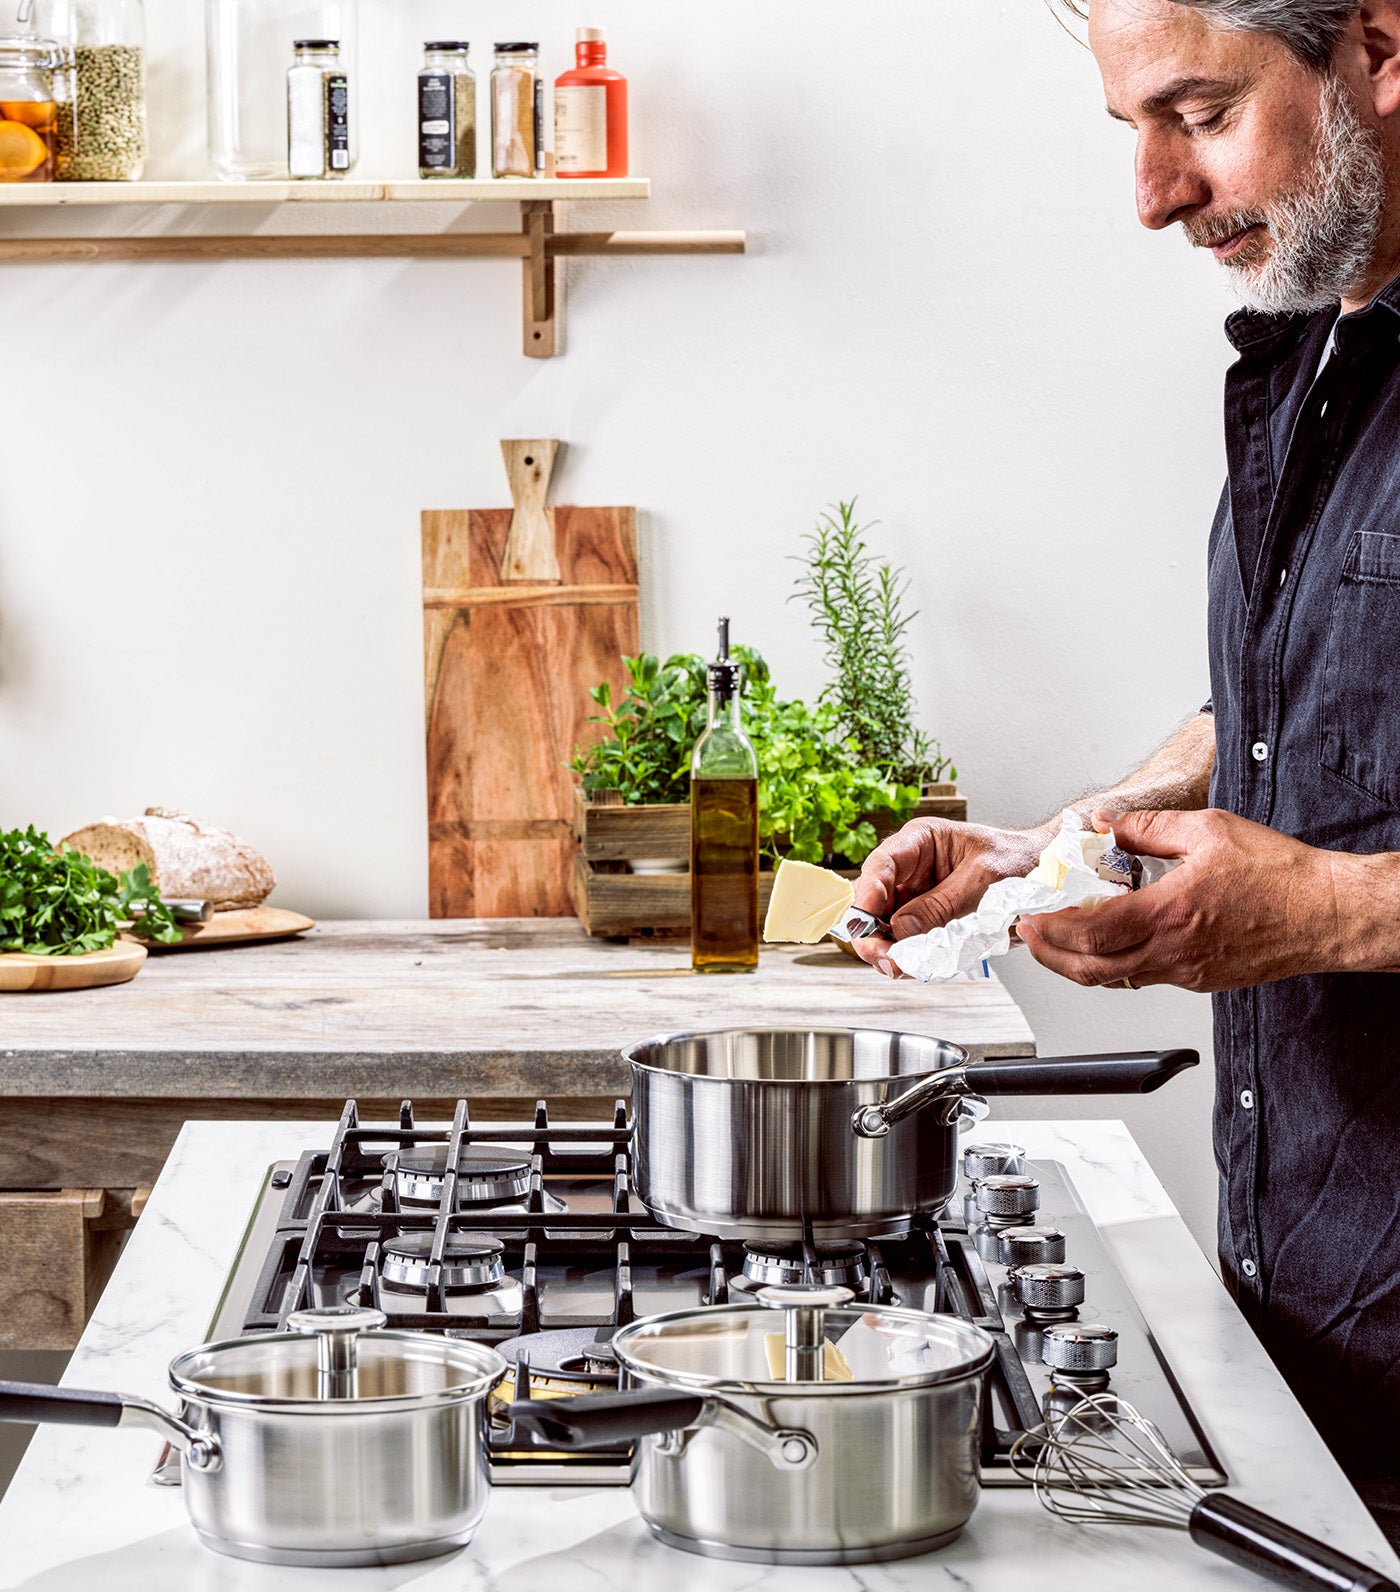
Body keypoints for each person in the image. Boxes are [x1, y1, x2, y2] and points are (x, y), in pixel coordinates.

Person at [853, 0, 1400, 1541]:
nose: (1154, 195)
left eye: (1202, 115)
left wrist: (1339, 910)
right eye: (1133, 133)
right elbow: (1303, 694)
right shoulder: (1319, 354)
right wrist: (1073, 841)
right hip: (1325, 1334)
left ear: (1376, 46)